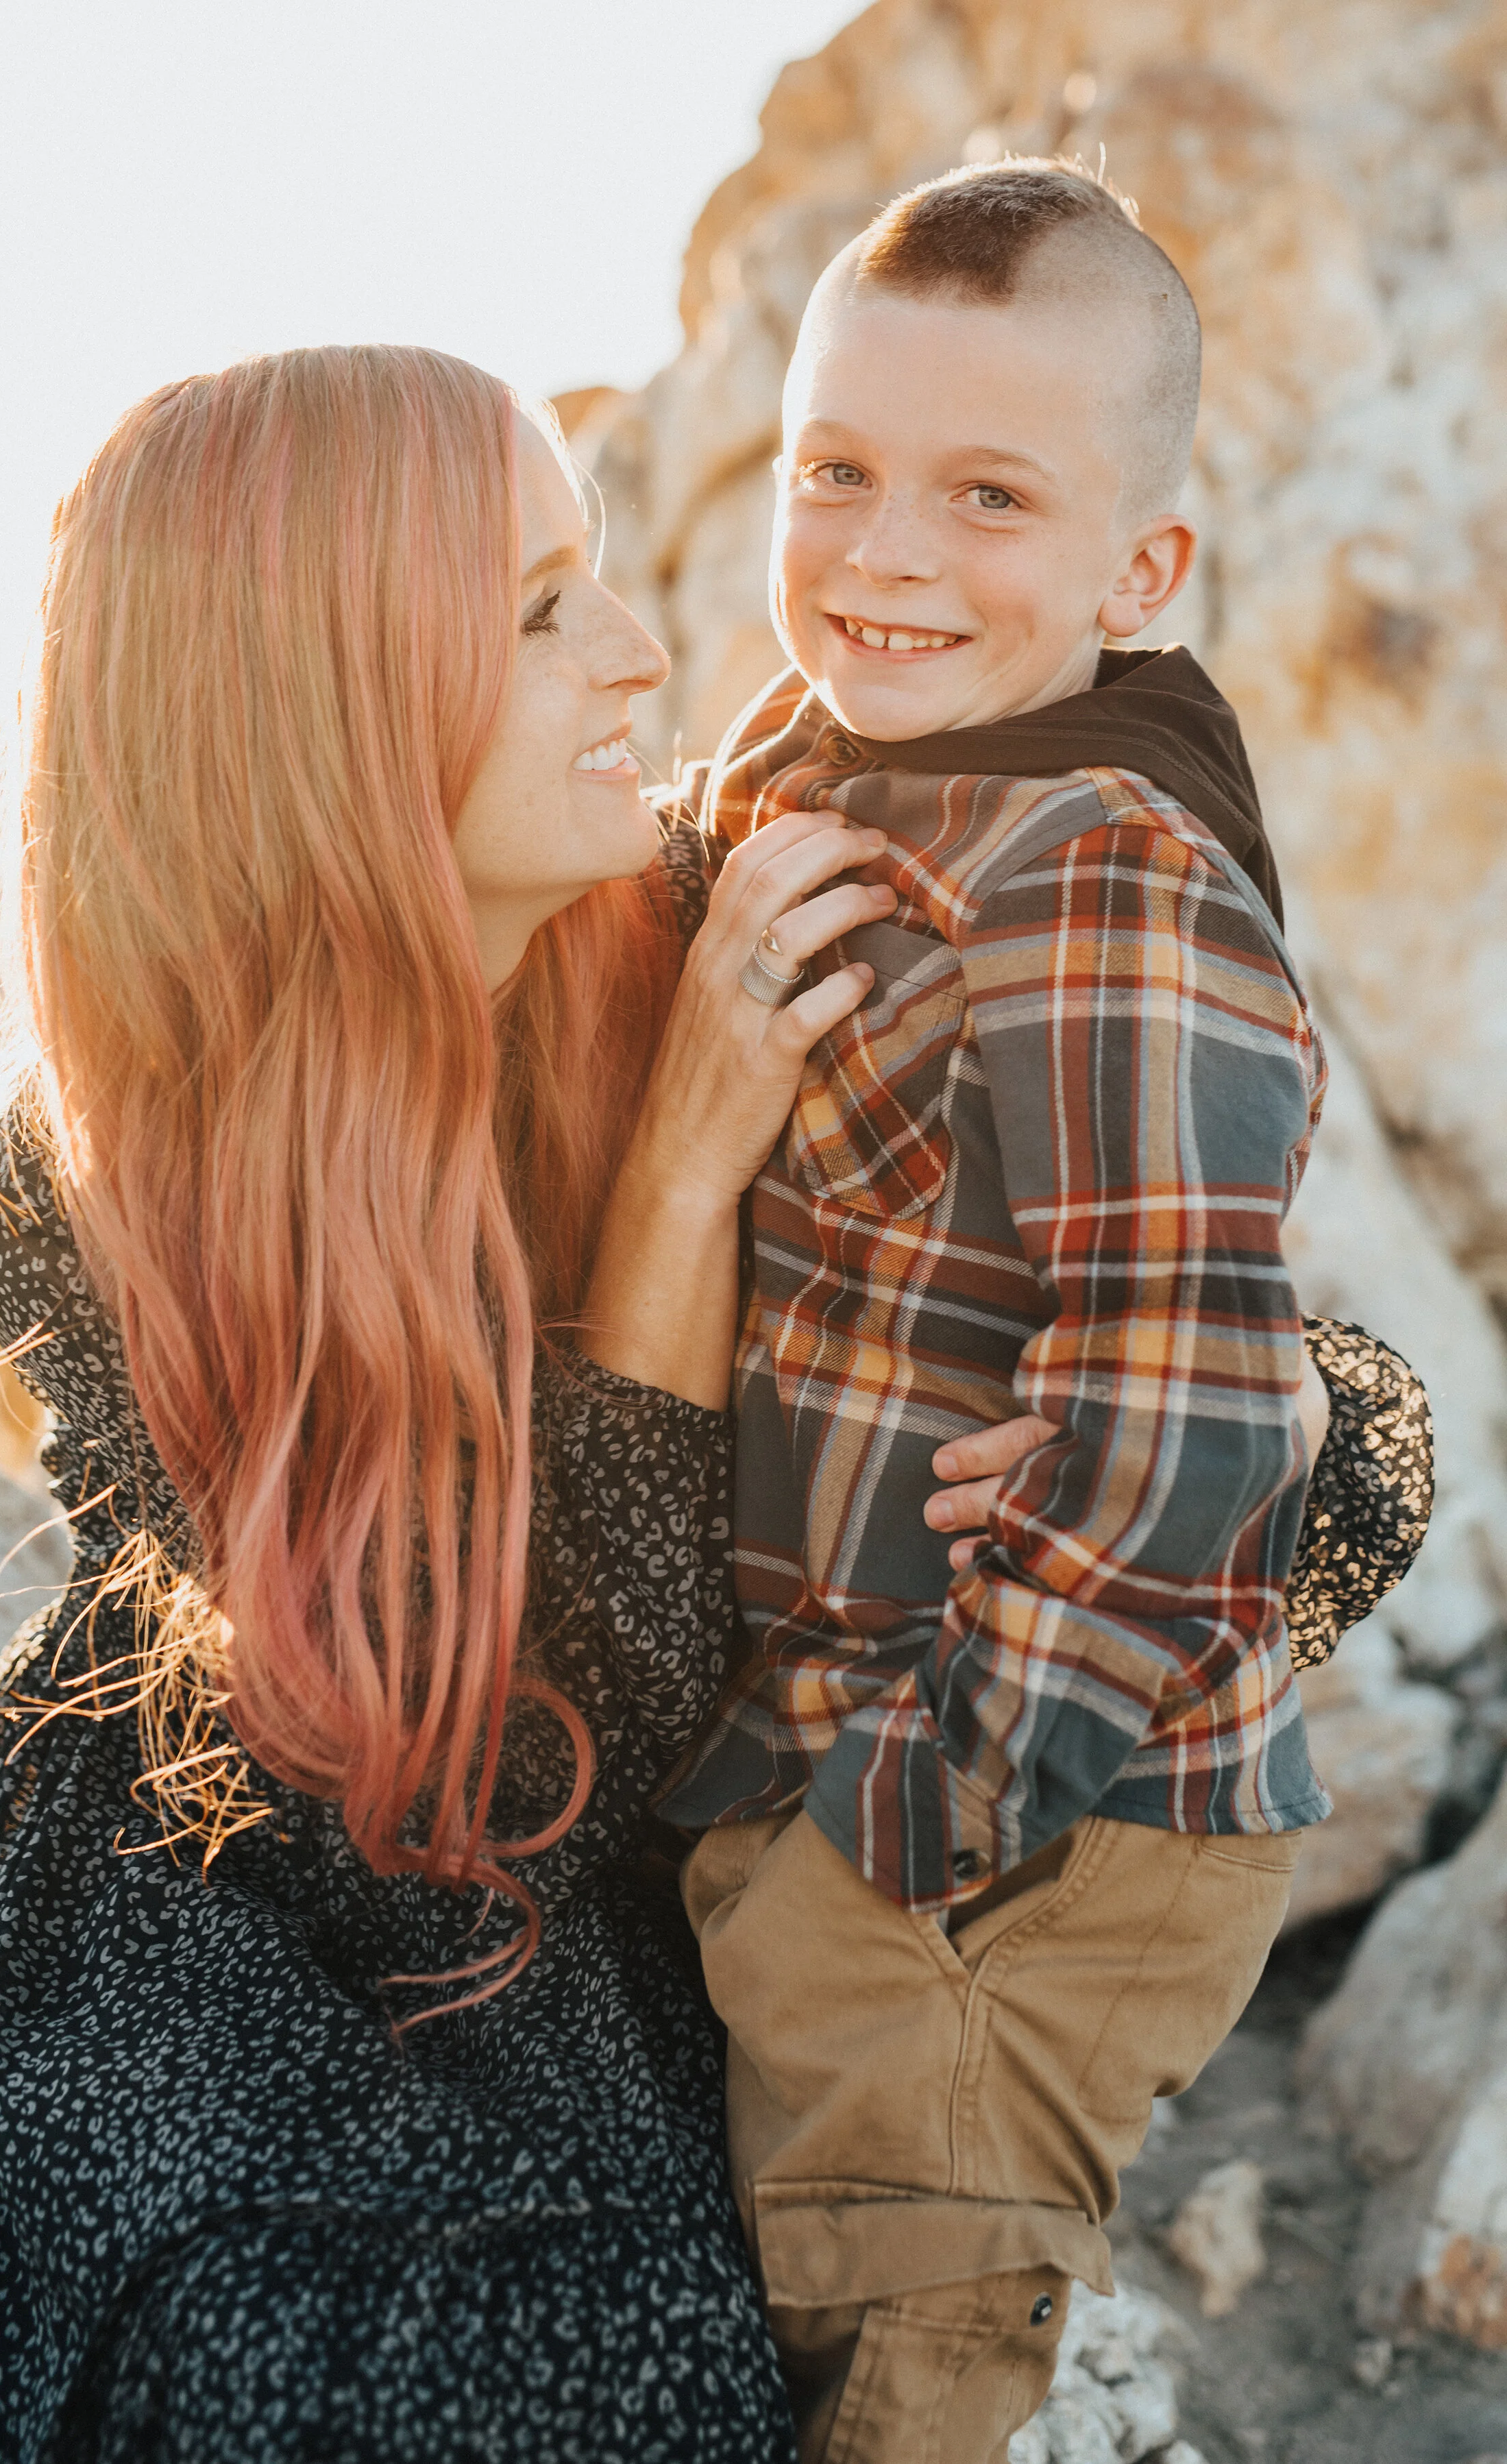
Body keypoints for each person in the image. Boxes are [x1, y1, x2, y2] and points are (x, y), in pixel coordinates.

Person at [0, 344, 912, 2463]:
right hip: (239, 1863)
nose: (636, 650)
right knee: (269, 2363)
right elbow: (482, 1741)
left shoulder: (724, 938)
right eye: (538, 610)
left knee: (628, 2360)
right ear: (335, 704)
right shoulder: (89, 1169)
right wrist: (690, 1171)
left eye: (597, 574)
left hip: (571, 1893)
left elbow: (1253, 1367)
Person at [660, 162, 1434, 2464]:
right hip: (888, 1773)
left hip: (1030, 1820)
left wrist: (909, 1818)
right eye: (837, 471)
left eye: (990, 496)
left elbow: (1186, 1406)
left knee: (905, 2343)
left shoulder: (1095, 869)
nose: (885, 553)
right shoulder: (847, 770)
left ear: (1140, 570)